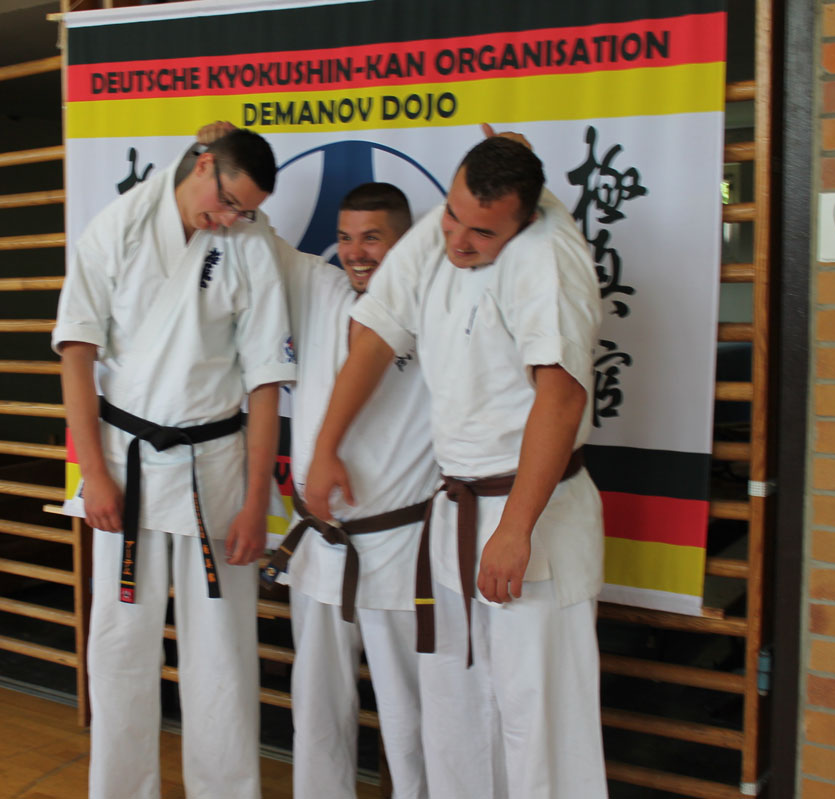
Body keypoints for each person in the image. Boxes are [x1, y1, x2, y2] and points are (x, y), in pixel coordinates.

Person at [305, 130, 609, 799]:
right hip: (454, 512)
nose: (459, 241)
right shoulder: (442, 233)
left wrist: (516, 528)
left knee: (540, 723)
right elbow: (374, 335)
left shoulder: (548, 258)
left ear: (524, 219)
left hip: (531, 512)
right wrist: (327, 445)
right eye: (453, 216)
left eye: (483, 232)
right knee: (456, 714)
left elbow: (561, 398)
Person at [52, 127, 295, 799]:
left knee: (223, 657)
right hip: (125, 465)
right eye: (227, 203)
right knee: (119, 648)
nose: (230, 220)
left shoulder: (248, 243)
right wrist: (94, 474)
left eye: (245, 211)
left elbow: (266, 381)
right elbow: (77, 354)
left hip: (215, 468)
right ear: (204, 165)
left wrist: (256, 501)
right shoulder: (119, 227)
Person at [260, 182, 435, 799]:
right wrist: (220, 158)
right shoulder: (321, 290)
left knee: (412, 719)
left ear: (406, 243)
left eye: (373, 238)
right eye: (346, 237)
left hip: (401, 549)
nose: (356, 252)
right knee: (316, 712)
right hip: (318, 546)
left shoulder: (436, 305)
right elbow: (255, 235)